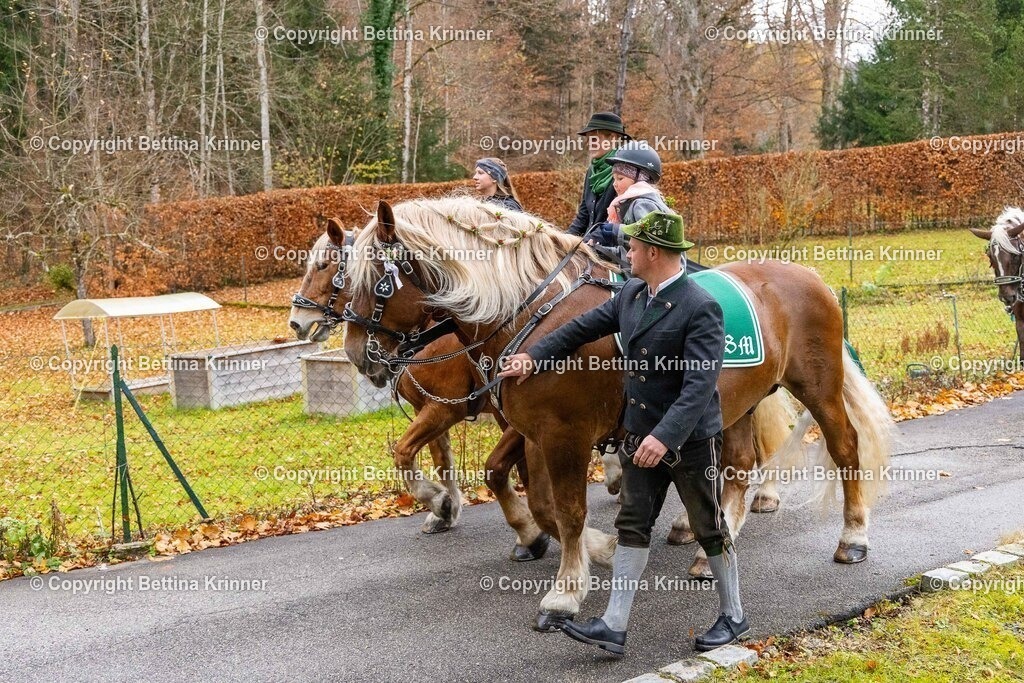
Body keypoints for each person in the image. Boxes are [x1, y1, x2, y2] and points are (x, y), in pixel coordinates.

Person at [498, 211, 748, 656]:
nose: (625, 253)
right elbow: (580, 328)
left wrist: (664, 438)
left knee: (709, 525)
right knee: (632, 526)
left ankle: (733, 614)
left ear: (654, 252)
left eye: (632, 247)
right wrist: (533, 357)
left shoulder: (700, 305)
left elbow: (699, 386)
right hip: (638, 435)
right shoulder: (631, 293)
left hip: (687, 441)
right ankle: (614, 624)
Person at [566, 112, 631, 237]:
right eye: (588, 139)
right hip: (588, 245)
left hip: (611, 248)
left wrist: (586, 243)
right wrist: (565, 239)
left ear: (612, 138)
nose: (589, 143)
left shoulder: (626, 172)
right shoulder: (592, 170)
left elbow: (619, 221)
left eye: (594, 139)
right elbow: (584, 215)